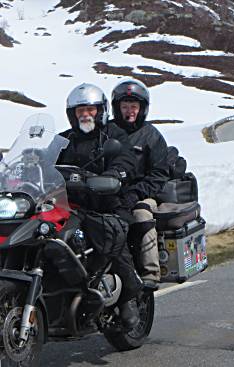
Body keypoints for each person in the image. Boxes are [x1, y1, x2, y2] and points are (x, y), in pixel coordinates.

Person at [57, 83, 143, 329]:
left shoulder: (114, 135)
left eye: (90, 110)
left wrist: (115, 174)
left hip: (108, 204)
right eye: (80, 110)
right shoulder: (64, 140)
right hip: (70, 206)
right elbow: (45, 158)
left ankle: (129, 296)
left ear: (100, 111)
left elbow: (126, 159)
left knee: (111, 236)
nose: (85, 115)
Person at [111, 79, 170, 290]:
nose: (129, 111)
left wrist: (136, 193)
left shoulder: (151, 136)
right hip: (112, 192)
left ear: (142, 108)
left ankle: (150, 273)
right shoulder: (108, 131)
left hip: (145, 193)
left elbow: (159, 174)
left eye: (133, 106)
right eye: (125, 106)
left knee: (141, 214)